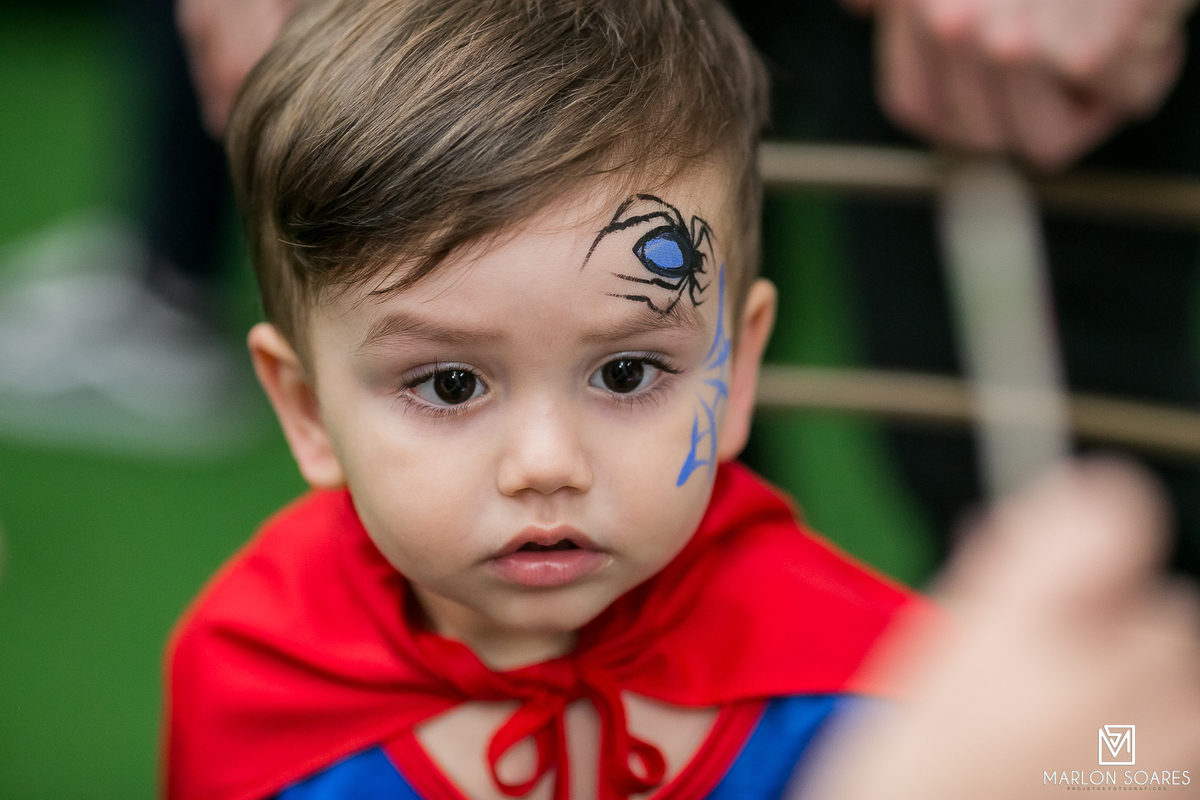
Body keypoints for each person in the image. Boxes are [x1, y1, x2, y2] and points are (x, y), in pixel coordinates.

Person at [163, 2, 918, 799]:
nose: (547, 465)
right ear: (307, 408)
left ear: (739, 370)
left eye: (626, 373)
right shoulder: (249, 683)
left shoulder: (889, 700)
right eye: (451, 385)